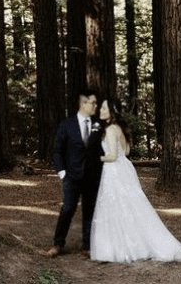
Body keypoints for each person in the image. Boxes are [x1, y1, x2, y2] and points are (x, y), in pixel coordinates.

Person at [90, 99, 181, 263]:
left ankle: (120, 248)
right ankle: (135, 243)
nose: (100, 110)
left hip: (113, 171)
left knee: (116, 206)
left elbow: (111, 156)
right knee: (132, 207)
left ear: (112, 111)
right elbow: (125, 152)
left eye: (104, 108)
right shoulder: (120, 128)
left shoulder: (111, 129)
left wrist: (96, 158)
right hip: (124, 169)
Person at [47, 90, 103, 257]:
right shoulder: (66, 125)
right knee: (68, 209)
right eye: (92, 103)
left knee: (90, 210)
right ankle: (58, 244)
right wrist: (62, 172)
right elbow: (57, 151)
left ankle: (87, 246)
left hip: (92, 177)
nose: (95, 106)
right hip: (71, 176)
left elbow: (101, 149)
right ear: (82, 104)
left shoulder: (99, 125)